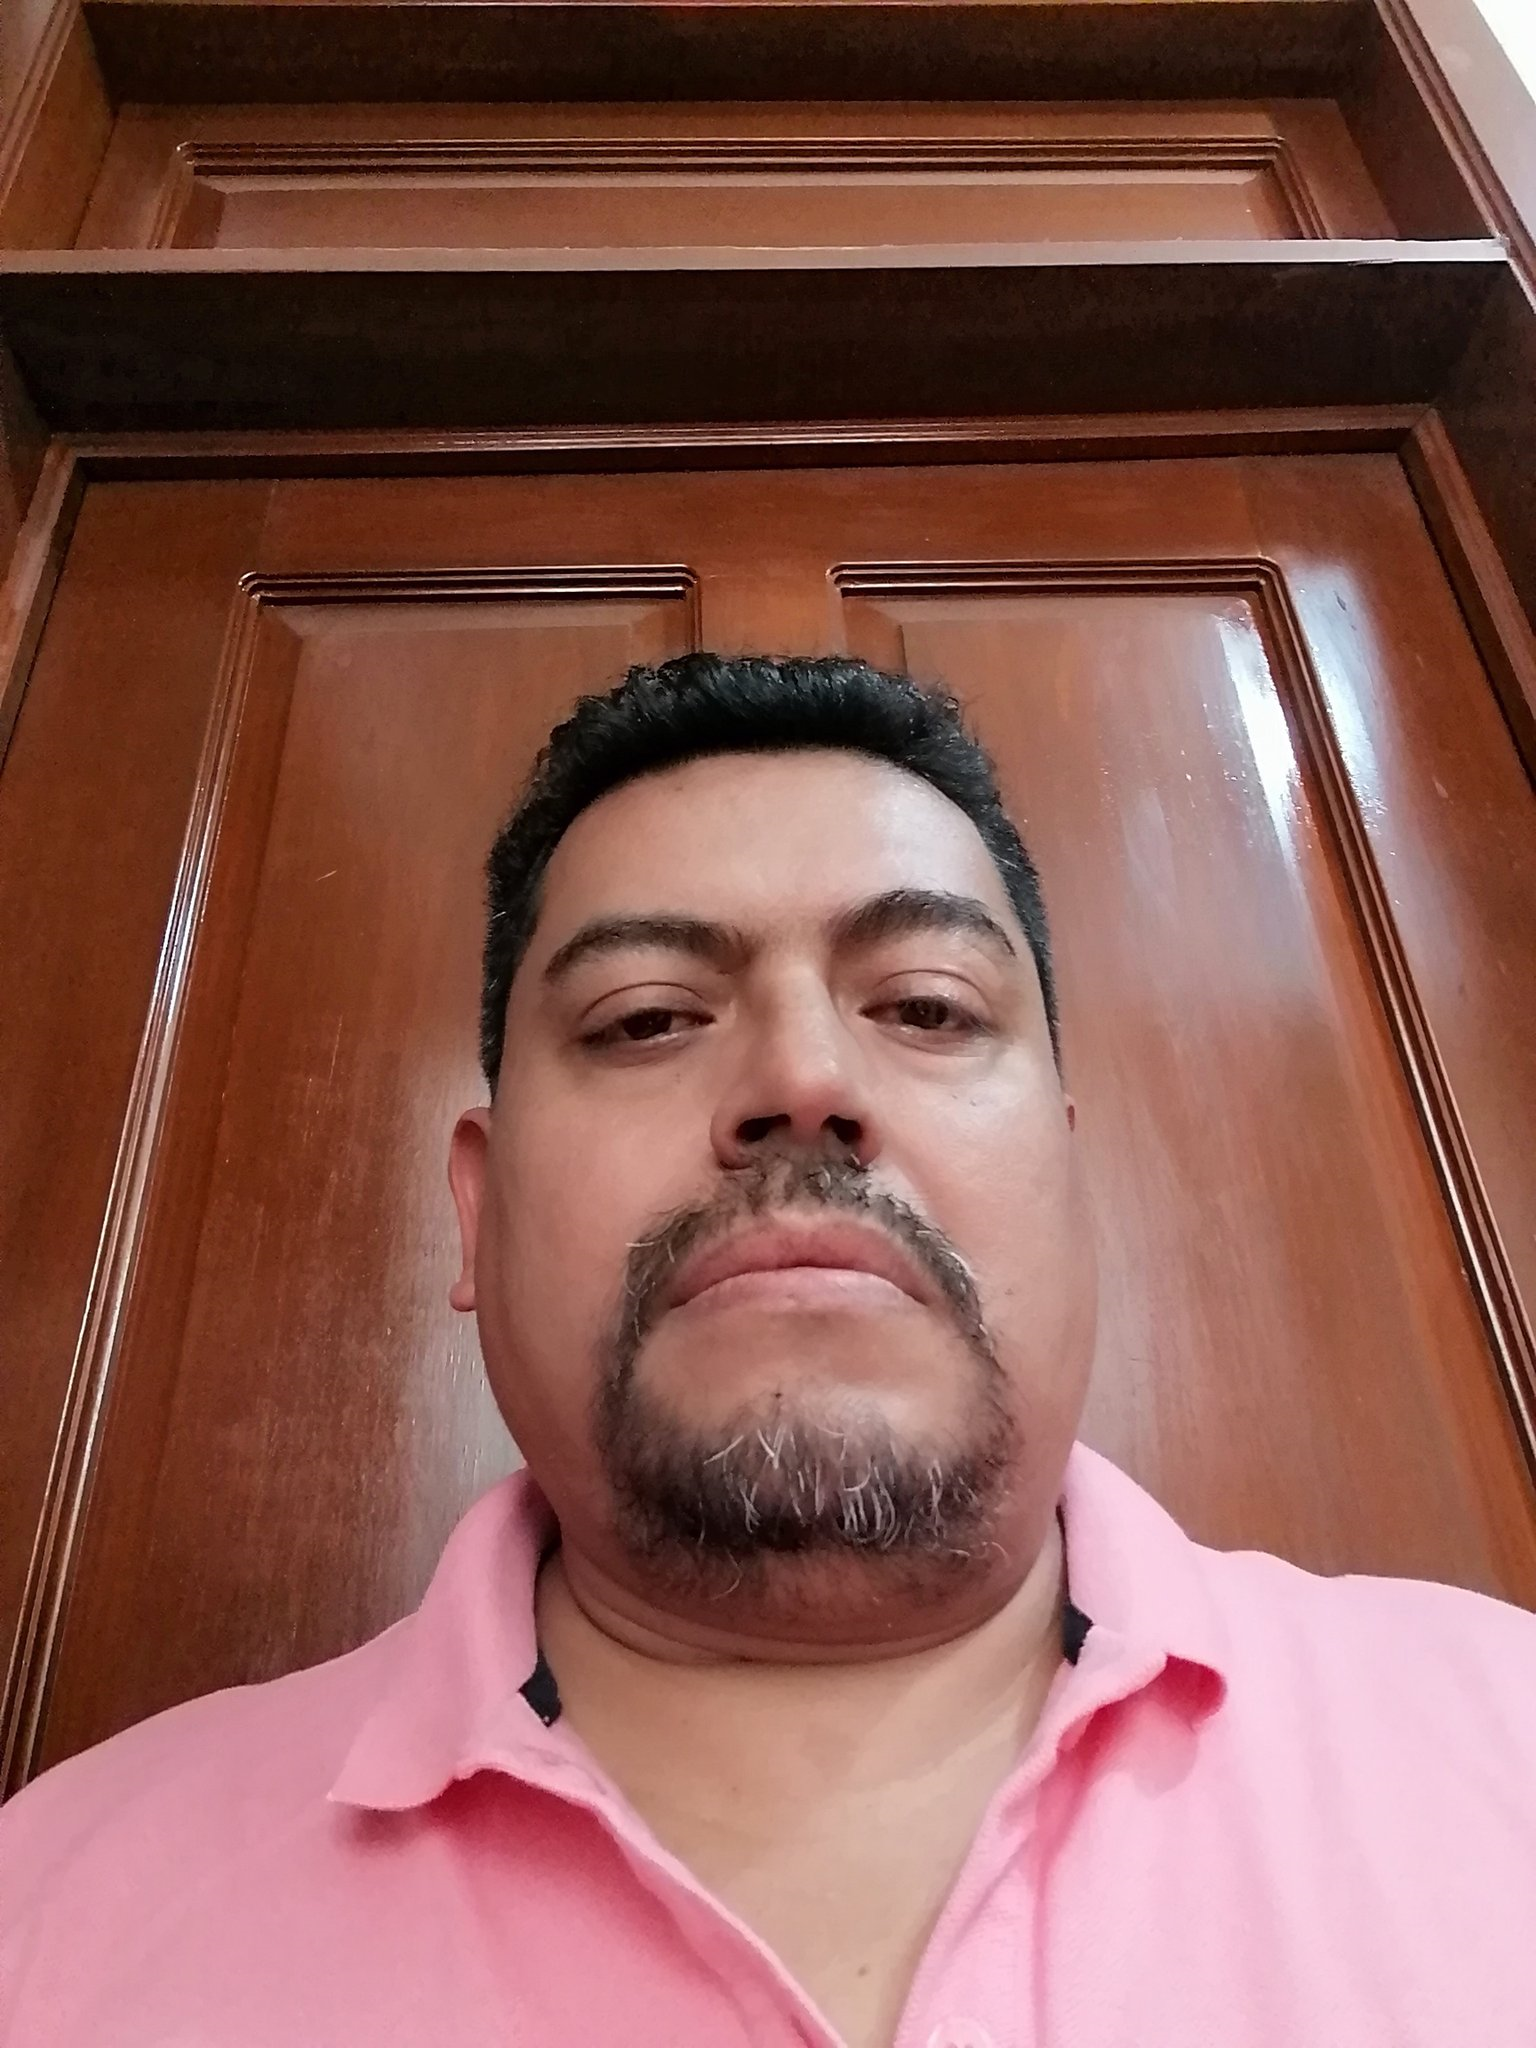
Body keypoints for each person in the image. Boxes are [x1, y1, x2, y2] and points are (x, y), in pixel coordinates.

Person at [2, 653, 1534, 2048]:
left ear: (1070, 1178)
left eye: (926, 1006)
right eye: (647, 1019)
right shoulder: (53, 1922)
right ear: (475, 1210)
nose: (803, 1077)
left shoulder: (1501, 1743)